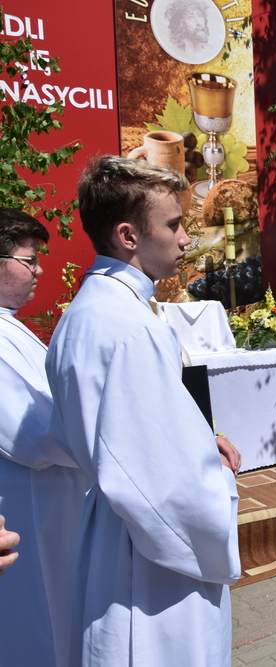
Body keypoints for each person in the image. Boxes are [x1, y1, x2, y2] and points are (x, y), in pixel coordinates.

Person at [46, 156, 242, 666]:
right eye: (173, 225)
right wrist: (216, 476)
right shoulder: (132, 326)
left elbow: (115, 435)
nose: (185, 239)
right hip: (152, 561)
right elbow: (168, 482)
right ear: (128, 236)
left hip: (112, 534)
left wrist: (198, 441)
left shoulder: (85, 312)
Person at [0, 207, 91, 666]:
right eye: (29, 260)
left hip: (52, 513)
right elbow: (39, 435)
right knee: (40, 631)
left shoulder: (8, 325)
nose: (39, 270)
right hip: (29, 522)